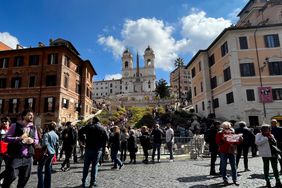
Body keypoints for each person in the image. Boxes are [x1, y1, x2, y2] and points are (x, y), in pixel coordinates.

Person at [2, 109, 39, 188]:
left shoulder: (33, 128)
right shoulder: (15, 126)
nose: (31, 116)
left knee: (24, 180)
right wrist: (18, 138)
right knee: (11, 177)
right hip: (16, 157)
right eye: (29, 115)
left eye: (32, 115)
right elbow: (6, 138)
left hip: (28, 158)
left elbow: (37, 140)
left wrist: (32, 140)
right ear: (23, 116)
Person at [78, 117, 108, 187]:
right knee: (94, 166)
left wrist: (83, 139)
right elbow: (107, 138)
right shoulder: (102, 128)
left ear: (93, 121)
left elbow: (80, 131)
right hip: (97, 149)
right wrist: (101, 144)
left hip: (89, 148)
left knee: (86, 166)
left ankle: (84, 182)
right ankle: (92, 182)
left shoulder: (89, 127)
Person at [216, 121, 241, 186]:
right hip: (224, 151)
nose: (227, 129)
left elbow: (236, 142)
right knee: (224, 166)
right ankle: (225, 179)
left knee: (234, 166)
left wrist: (239, 139)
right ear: (223, 128)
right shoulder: (219, 133)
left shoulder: (232, 132)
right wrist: (223, 140)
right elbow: (218, 143)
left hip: (231, 151)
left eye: (228, 128)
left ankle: (235, 179)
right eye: (226, 128)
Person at [37, 121, 59, 188]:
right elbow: (57, 146)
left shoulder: (47, 134)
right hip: (52, 153)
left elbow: (44, 144)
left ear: (48, 127)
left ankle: (41, 186)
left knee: (40, 169)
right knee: (48, 168)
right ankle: (47, 185)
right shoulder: (56, 135)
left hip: (46, 153)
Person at [0, 116, 11, 184]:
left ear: (9, 122)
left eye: (5, 121)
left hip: (8, 152)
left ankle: (1, 177)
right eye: (2, 121)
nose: (4, 123)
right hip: (0, 152)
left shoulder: (12, 130)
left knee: (10, 168)